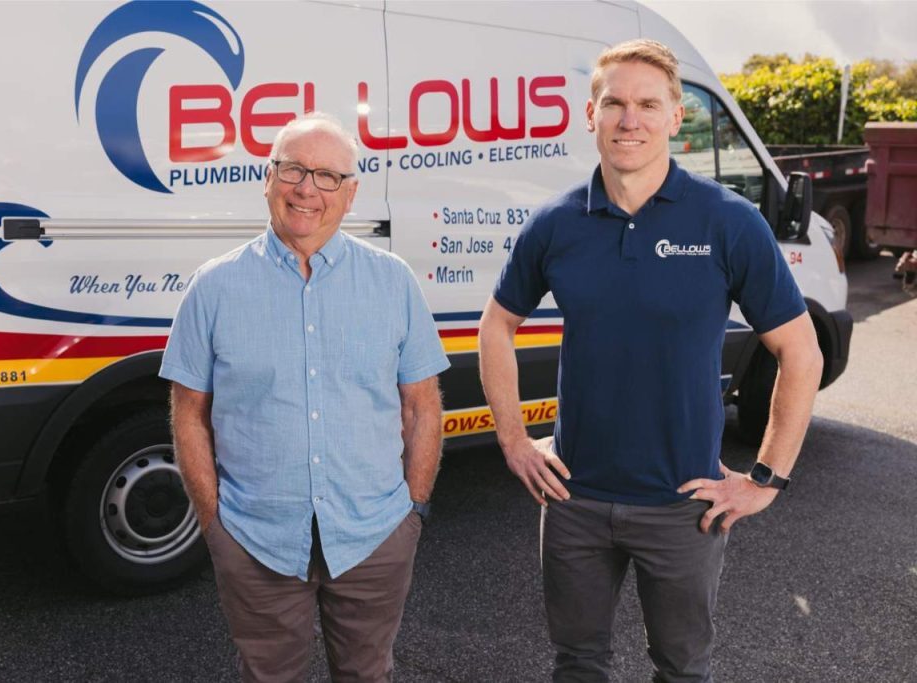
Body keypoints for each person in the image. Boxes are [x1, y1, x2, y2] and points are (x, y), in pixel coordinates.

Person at [478, 40, 824, 682]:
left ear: (675, 118)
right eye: (614, 103)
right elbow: (497, 325)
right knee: (577, 664)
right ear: (590, 115)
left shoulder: (727, 221)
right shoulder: (556, 224)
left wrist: (764, 479)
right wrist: (513, 439)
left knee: (682, 668)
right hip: (575, 500)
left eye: (646, 104)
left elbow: (801, 352)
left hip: (683, 505)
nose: (628, 119)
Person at [160, 113, 449, 683]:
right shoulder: (213, 287)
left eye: (327, 176)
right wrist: (214, 522)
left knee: (367, 674)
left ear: (351, 193)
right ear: (268, 179)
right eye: (293, 169)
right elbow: (189, 414)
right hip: (254, 538)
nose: (307, 189)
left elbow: (422, 406)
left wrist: (412, 511)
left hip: (375, 534)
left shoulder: (393, 282)